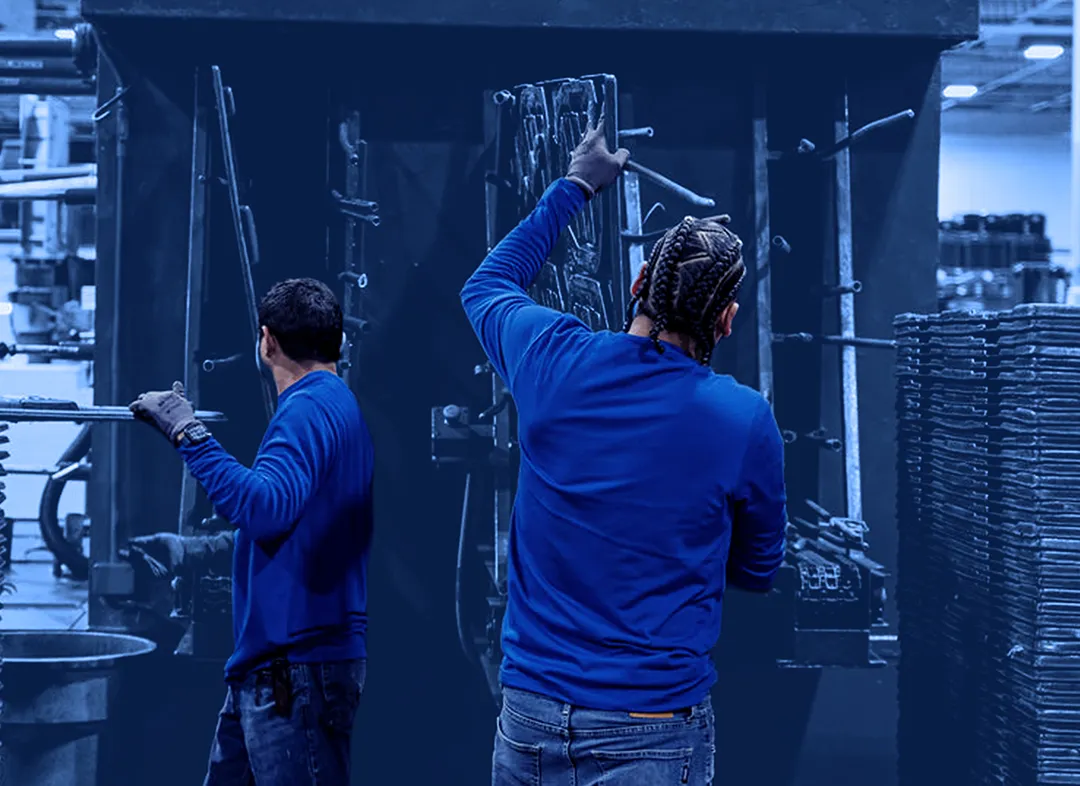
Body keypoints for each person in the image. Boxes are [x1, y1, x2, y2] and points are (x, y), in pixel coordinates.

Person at [460, 125, 788, 785]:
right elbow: (758, 571)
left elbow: (487, 284)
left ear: (640, 281)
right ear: (726, 320)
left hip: (529, 718)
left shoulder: (551, 359)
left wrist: (577, 184)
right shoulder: (743, 419)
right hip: (652, 732)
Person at [129, 277, 374, 786]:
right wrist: (193, 551)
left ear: (267, 341)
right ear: (337, 339)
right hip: (278, 666)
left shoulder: (308, 411)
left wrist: (187, 431)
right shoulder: (333, 404)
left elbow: (263, 509)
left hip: (294, 670)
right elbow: (297, 530)